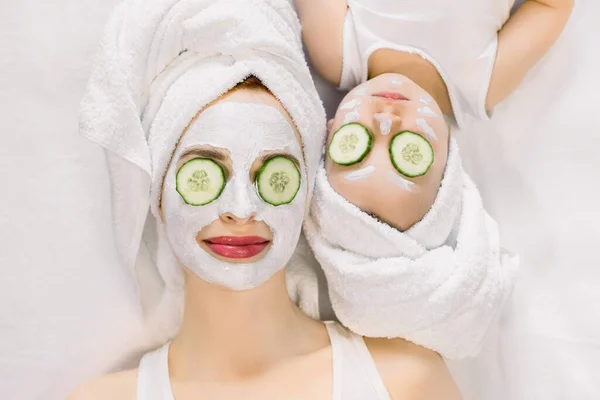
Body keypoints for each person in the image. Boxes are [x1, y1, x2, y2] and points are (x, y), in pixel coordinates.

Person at [69, 0, 463, 398]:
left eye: (274, 176)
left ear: (307, 191)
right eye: (204, 175)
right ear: (157, 197)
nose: (241, 210)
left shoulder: (408, 382)